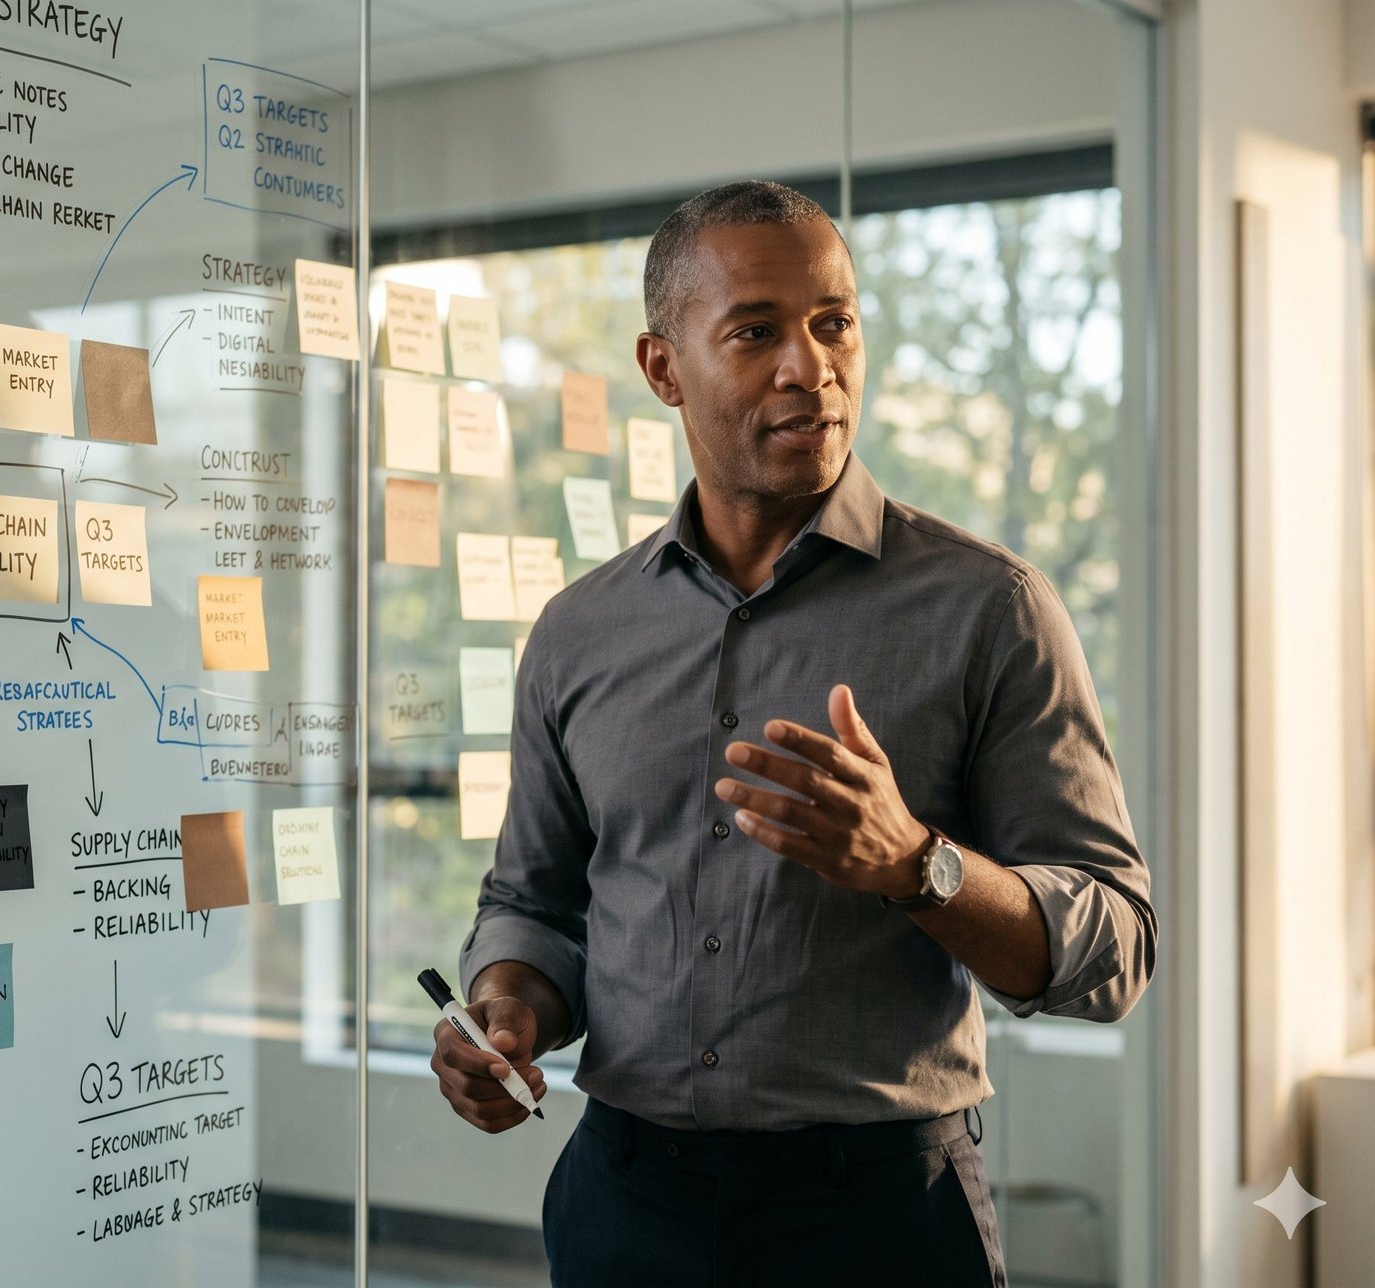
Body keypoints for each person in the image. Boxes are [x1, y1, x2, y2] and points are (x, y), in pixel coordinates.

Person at [428, 180, 1156, 1288]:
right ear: (663, 368)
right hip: (625, 1205)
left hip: (881, 1219)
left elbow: (1117, 949)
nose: (809, 367)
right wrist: (506, 1012)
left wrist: (917, 866)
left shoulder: (991, 610)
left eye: (834, 323)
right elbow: (534, 902)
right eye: (756, 331)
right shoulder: (578, 632)